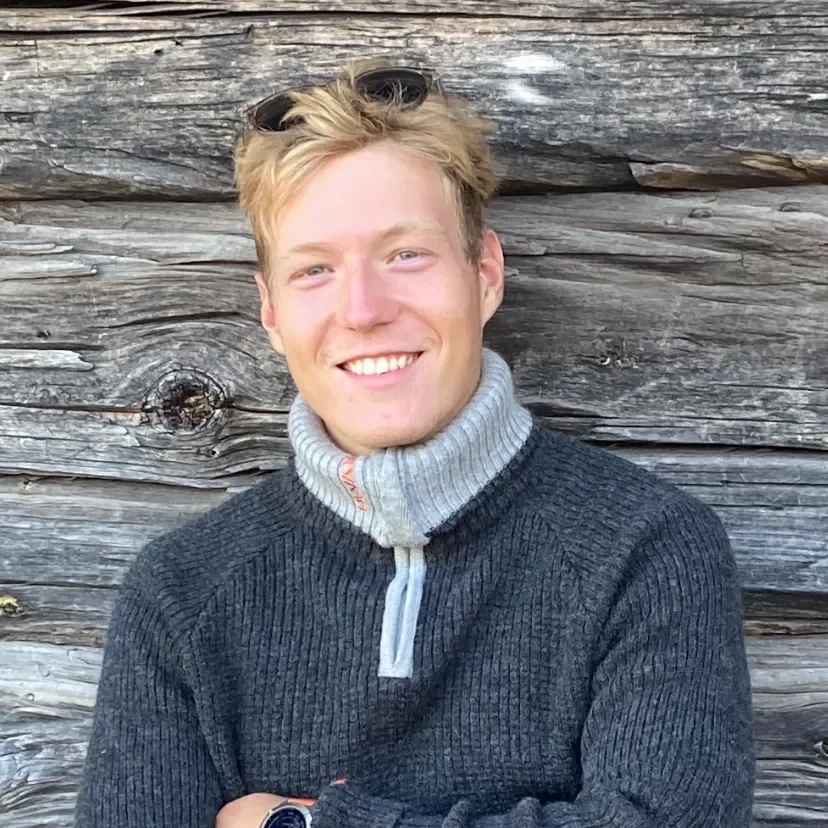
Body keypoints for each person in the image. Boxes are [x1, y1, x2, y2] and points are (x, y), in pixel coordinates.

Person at [75, 57, 756, 828]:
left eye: (405, 254)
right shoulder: (182, 594)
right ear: (270, 313)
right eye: (315, 270)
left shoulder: (648, 550)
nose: (363, 309)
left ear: (485, 274)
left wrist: (304, 824)